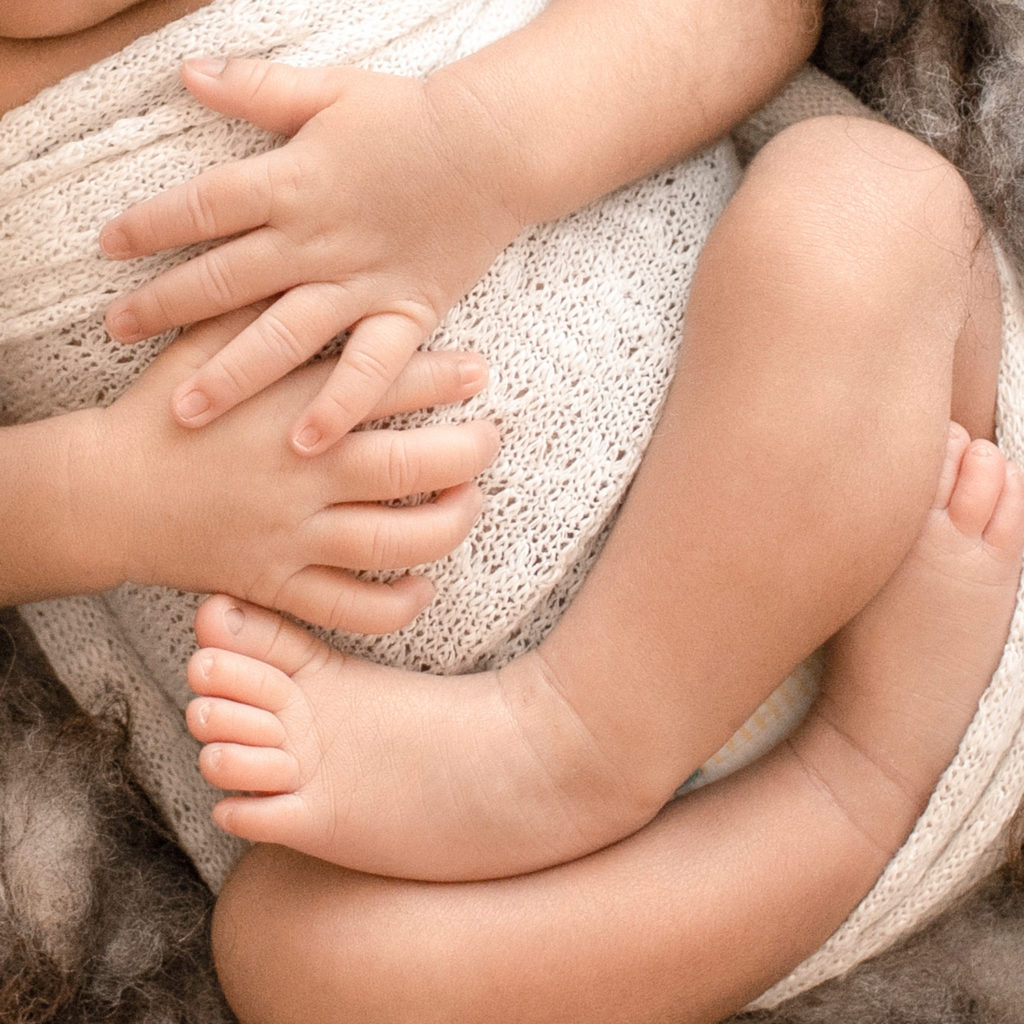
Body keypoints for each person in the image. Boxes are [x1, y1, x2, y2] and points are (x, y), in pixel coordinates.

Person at [1, 1, 1022, 1022]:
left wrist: (473, 147)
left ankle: (575, 741)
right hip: (520, 874)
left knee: (872, 205)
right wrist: (109, 493)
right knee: (294, 970)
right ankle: (856, 784)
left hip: (861, 481)